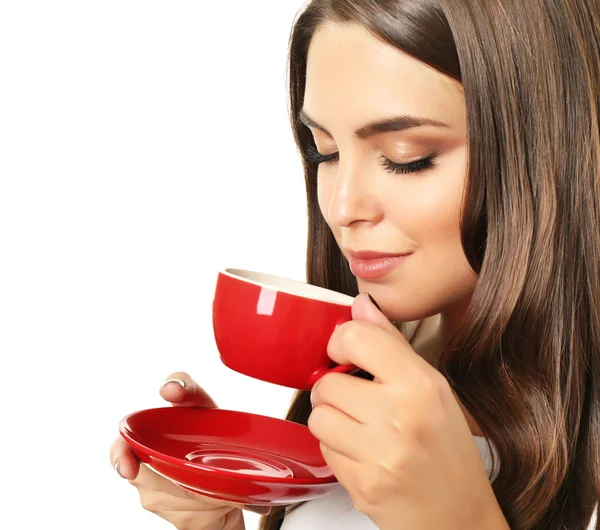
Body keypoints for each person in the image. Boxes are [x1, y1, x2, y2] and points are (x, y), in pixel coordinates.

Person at [109, 0, 600, 528]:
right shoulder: (375, 366)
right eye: (325, 152)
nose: (342, 209)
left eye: (406, 156)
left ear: (547, 149)